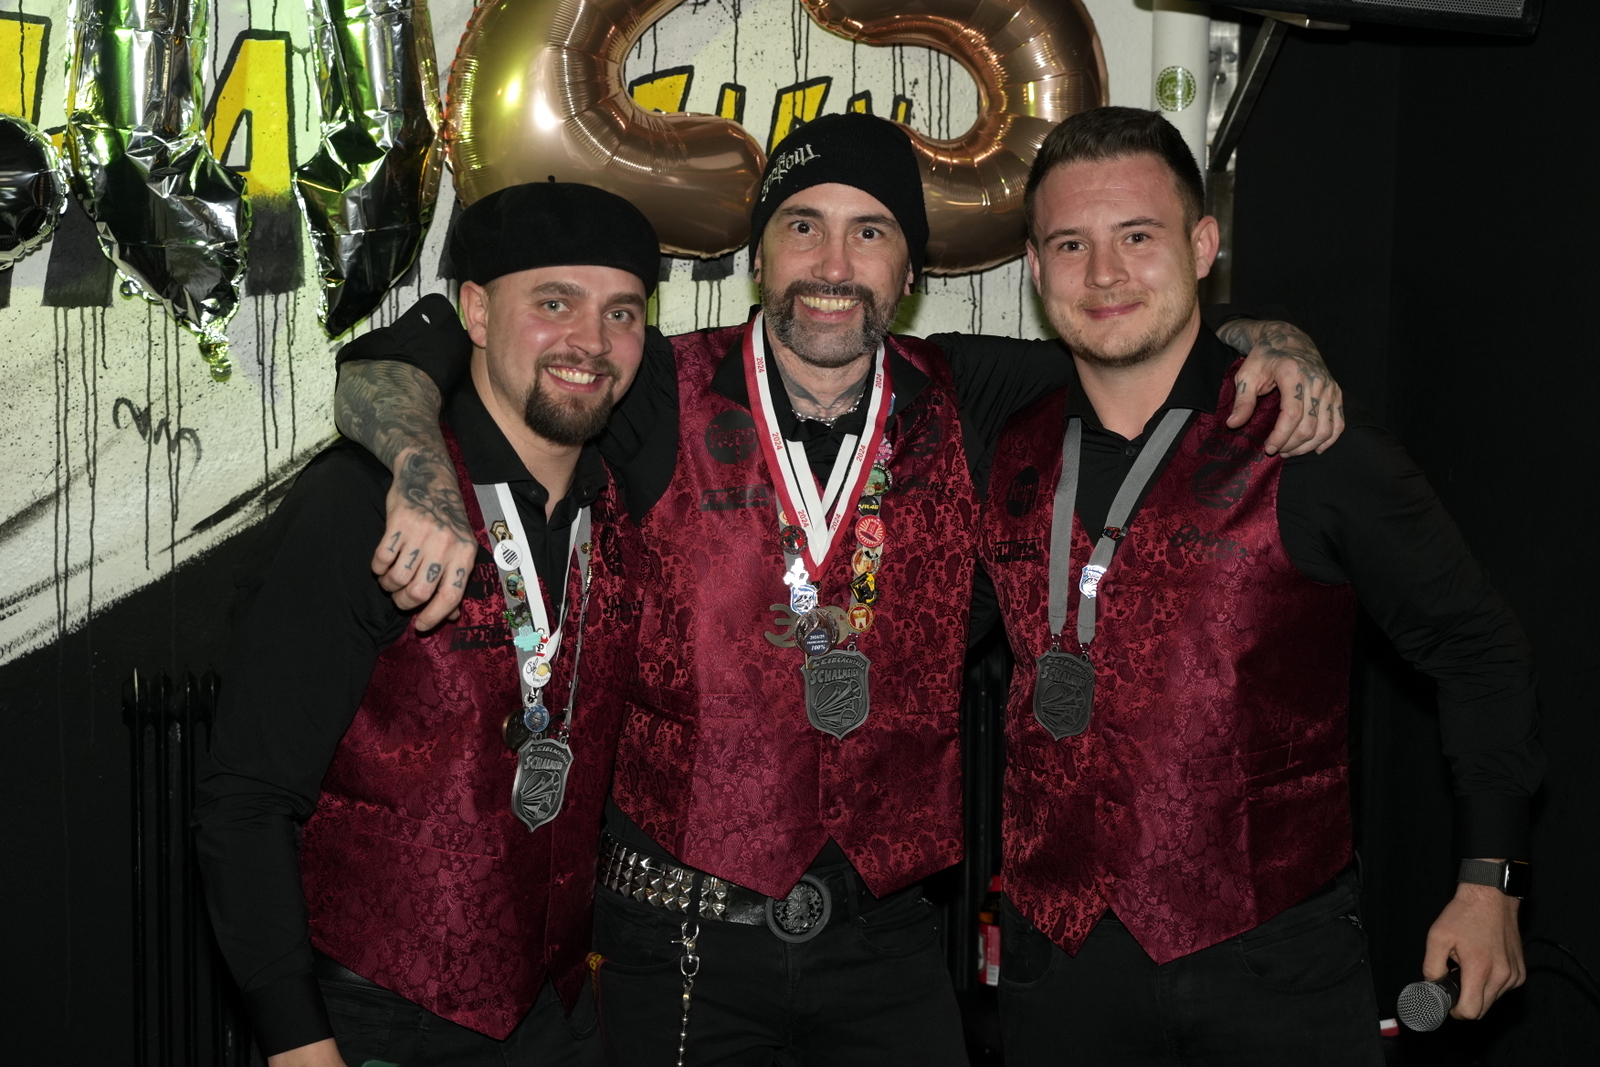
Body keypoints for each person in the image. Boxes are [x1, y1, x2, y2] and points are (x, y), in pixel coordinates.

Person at [331, 114, 1340, 1066]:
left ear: (910, 272)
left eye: (870, 232)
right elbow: (397, 359)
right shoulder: (653, 385)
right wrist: (416, 460)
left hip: (886, 949)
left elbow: (1135, 330)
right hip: (677, 947)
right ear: (758, 256)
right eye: (802, 226)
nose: (832, 263)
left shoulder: (973, 392)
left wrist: (1265, 336)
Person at [980, 106, 1543, 1065]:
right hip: (1057, 969)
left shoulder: (1312, 443)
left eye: (1138, 236)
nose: (1105, 272)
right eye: (1071, 243)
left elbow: (1477, 649)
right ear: (1035, 269)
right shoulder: (998, 434)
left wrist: (1491, 880)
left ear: (1203, 246)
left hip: (1273, 963)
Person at [194, 182, 658, 1067]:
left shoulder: (625, 490)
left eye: (622, 312)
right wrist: (298, 1043)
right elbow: (246, 800)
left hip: (560, 1014)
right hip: (376, 1020)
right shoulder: (361, 501)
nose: (592, 341)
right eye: (552, 302)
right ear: (477, 312)